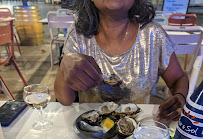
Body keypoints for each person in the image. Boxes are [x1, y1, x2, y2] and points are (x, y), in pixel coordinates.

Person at [54, 0, 189, 122]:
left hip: (138, 131)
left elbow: (179, 78)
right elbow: (65, 99)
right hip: (92, 131)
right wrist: (65, 64)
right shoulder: (78, 34)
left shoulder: (154, 34)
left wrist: (180, 96)